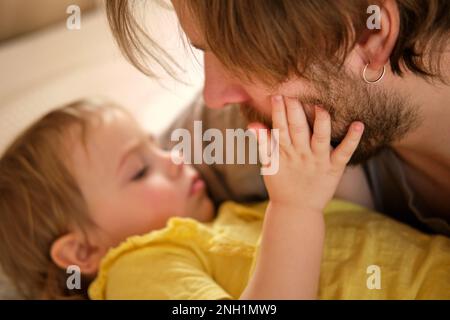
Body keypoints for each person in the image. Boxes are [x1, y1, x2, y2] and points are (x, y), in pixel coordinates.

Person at [2, 98, 448, 300]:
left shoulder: (226, 219)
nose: (175, 157)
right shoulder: (137, 269)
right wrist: (295, 208)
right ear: (82, 250)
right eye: (140, 170)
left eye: (155, 146)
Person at [105, 0, 450, 236]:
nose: (215, 95)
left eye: (241, 55)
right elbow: (96, 197)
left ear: (371, 34)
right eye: (205, 50)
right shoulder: (255, 128)